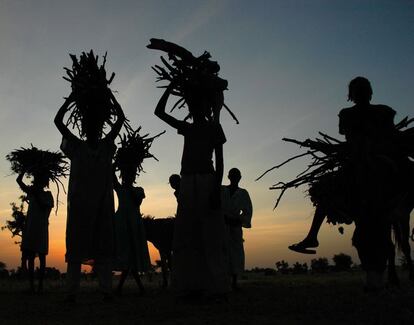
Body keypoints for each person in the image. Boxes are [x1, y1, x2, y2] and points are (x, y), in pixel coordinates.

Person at [288, 77, 402, 254]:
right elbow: (350, 136)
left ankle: (312, 236)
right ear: (352, 95)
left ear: (369, 93)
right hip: (357, 161)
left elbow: (391, 135)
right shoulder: (349, 113)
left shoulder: (384, 111)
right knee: (325, 191)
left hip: (381, 158)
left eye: (363, 90)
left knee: (407, 179)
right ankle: (312, 236)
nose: (361, 94)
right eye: (358, 91)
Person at [155, 83, 229, 300]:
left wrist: (216, 189)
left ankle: (215, 286)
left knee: (210, 235)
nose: (194, 107)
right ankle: (190, 285)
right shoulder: (187, 128)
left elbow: (221, 161)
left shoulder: (215, 127)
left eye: (199, 104)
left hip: (207, 181)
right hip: (188, 182)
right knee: (187, 234)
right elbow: (159, 112)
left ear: (206, 106)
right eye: (192, 104)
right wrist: (170, 87)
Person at [55, 90, 125, 302]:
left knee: (103, 245)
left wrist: (110, 95)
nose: (93, 128)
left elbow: (120, 119)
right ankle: (71, 293)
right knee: (76, 245)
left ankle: (106, 291)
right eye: (89, 126)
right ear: (85, 129)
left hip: (102, 205)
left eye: (96, 125)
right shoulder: (76, 146)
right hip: (80, 206)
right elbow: (58, 121)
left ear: (100, 127)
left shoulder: (106, 146)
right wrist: (72, 97)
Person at [113, 165, 150, 295]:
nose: (127, 178)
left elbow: (137, 202)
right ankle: (136, 288)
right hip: (122, 225)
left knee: (131, 254)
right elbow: (113, 179)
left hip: (133, 224)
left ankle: (121, 289)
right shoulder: (120, 189)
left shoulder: (138, 190)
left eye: (130, 176)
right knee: (127, 254)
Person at [17, 172, 54, 293]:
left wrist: (36, 194)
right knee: (31, 257)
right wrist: (23, 170)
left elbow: (44, 207)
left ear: (43, 184)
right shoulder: (32, 194)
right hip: (31, 229)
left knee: (42, 257)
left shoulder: (48, 195)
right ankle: (32, 286)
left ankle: (40, 286)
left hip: (42, 229)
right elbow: (19, 181)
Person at [221, 168, 252, 290]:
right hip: (221, 225)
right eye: (232, 175)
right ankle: (222, 281)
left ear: (240, 177)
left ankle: (234, 281)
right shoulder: (221, 190)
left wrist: (239, 220)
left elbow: (248, 211)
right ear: (228, 177)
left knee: (236, 252)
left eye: (236, 175)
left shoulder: (243, 193)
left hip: (235, 225)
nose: (234, 177)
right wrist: (221, 218)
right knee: (221, 251)